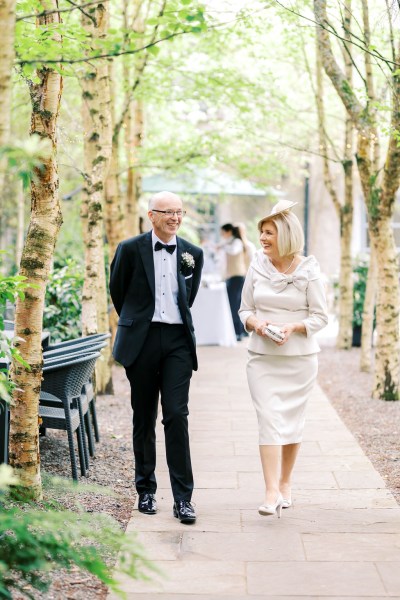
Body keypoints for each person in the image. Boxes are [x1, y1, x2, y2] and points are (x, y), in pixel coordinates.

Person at [109, 191, 204, 524]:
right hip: (143, 340)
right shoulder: (130, 249)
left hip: (178, 340)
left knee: (177, 414)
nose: (175, 218)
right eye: (168, 212)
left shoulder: (193, 253)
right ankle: (146, 490)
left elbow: (187, 298)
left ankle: (183, 499)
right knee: (144, 416)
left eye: (180, 212)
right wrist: (138, 324)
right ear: (151, 215)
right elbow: (118, 292)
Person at [239, 200, 328, 518]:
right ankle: (270, 491)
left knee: (292, 423)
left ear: (286, 235)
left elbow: (321, 317)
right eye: (261, 232)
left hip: (300, 360)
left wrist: (295, 326)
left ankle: (286, 483)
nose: (262, 238)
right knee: (269, 422)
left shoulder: (309, 269)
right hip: (262, 358)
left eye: (268, 232)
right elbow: (244, 310)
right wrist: (256, 323)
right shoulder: (256, 266)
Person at [219, 223, 247, 341]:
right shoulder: (229, 243)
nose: (221, 235)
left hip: (237, 277)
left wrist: (222, 246)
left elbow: (233, 251)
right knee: (235, 304)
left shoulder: (236, 242)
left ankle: (238, 332)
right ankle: (241, 331)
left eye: (223, 232)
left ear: (229, 232)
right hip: (232, 277)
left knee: (234, 305)